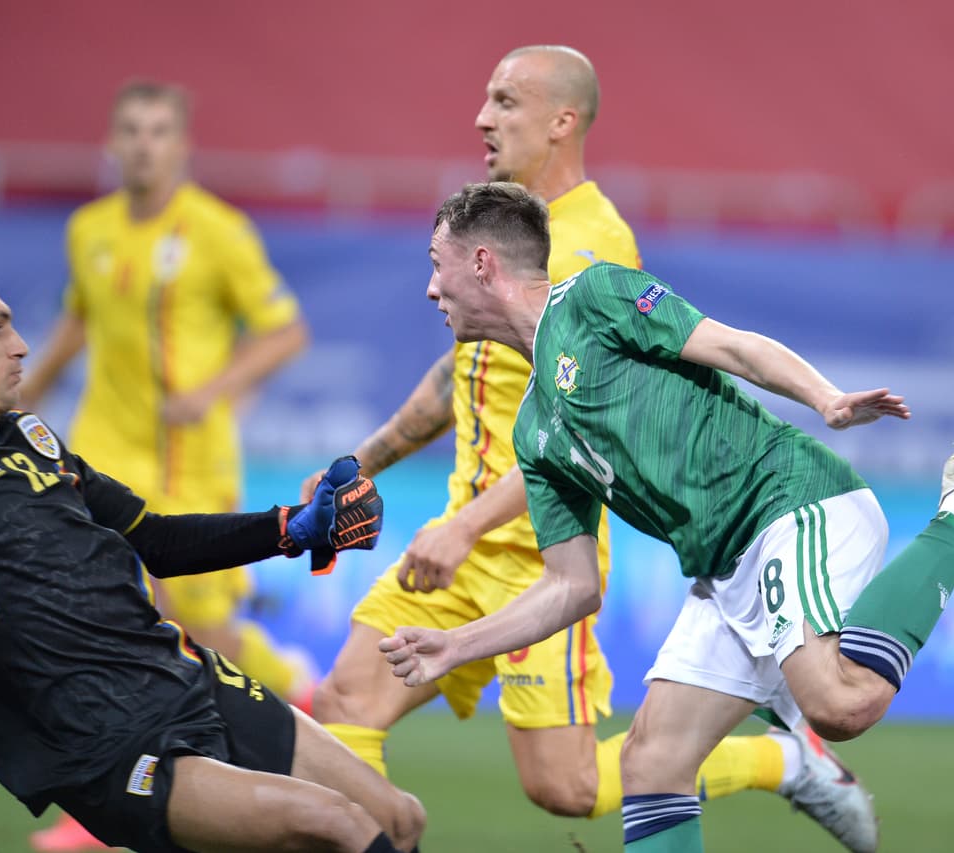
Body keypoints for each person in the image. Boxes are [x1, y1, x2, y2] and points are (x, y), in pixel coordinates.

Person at [379, 181, 954, 853]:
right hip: (724, 569)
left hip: (790, 501)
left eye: (437, 265)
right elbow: (572, 586)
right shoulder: (535, 429)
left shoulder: (593, 298)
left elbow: (730, 344)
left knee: (839, 703)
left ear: (482, 262)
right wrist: (454, 646)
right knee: (652, 760)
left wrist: (826, 399)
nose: (430, 287)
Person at [308, 44, 878, 852]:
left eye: (506, 101)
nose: (482, 117)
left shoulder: (592, 245)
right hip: (453, 539)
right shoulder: (495, 232)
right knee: (343, 706)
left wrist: (470, 525)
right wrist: (361, 464)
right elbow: (454, 376)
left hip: (536, 547)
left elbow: (586, 429)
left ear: (561, 120)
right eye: (486, 99)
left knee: (566, 786)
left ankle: (778, 759)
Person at [0, 260, 422, 853]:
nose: (20, 347)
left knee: (399, 820)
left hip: (185, 676)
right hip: (108, 743)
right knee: (338, 826)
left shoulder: (28, 439)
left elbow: (156, 540)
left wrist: (293, 528)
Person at [19, 79, 316, 851]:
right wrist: (11, 406)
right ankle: (105, 807)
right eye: (131, 130)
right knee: (106, 621)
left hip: (193, 464)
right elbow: (77, 322)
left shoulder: (219, 232)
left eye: (158, 130)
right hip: (104, 459)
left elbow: (284, 332)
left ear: (182, 145)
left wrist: (213, 390)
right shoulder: (88, 230)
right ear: (112, 143)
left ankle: (292, 686)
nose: (144, 143)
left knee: (200, 630)